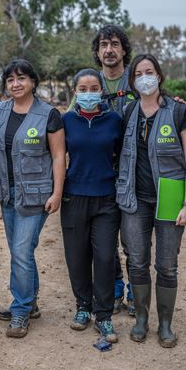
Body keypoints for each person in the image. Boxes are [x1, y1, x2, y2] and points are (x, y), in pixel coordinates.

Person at [117, 54, 186, 348]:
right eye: (138, 73)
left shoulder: (179, 112)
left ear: (160, 76)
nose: (144, 77)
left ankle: (165, 324)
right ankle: (141, 319)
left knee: (166, 265)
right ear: (133, 81)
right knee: (136, 262)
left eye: (149, 71)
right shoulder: (128, 112)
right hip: (135, 201)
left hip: (170, 201)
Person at [0, 59, 65, 338]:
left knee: (21, 252)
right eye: (10, 79)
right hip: (8, 194)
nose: (16, 84)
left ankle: (21, 310)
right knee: (20, 252)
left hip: (36, 196)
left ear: (33, 82)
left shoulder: (49, 114)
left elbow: (59, 155)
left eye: (21, 78)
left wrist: (57, 192)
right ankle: (29, 301)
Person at [68, 24, 136, 315]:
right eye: (104, 45)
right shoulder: (89, 84)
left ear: (123, 50)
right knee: (103, 246)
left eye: (115, 44)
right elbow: (72, 123)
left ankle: (135, 290)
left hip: (133, 173)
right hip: (98, 177)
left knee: (132, 239)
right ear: (97, 52)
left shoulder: (136, 80)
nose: (109, 50)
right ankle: (115, 286)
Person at [60, 69, 122, 343]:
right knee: (76, 257)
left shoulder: (114, 120)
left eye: (94, 88)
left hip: (106, 199)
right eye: (83, 89)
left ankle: (104, 315)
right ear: (75, 92)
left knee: (106, 257)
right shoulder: (66, 121)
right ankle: (83, 307)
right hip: (74, 197)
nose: (88, 93)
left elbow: (123, 155)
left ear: (101, 91)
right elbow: (57, 158)